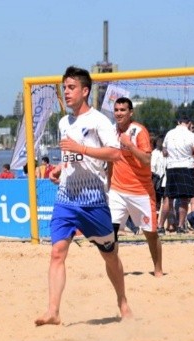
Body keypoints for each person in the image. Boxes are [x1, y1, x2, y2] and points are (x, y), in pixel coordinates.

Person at [35, 66, 132, 326]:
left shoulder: (99, 120)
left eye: (71, 87)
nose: (66, 92)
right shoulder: (64, 122)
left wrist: (81, 148)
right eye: (64, 88)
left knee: (110, 254)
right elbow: (71, 157)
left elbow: (115, 154)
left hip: (93, 200)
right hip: (66, 197)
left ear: (85, 90)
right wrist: (58, 168)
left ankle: (122, 301)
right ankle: (53, 311)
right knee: (57, 252)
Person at [108, 97, 162, 277]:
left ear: (131, 112)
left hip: (141, 192)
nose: (119, 113)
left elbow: (147, 160)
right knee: (111, 232)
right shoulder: (111, 131)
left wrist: (129, 145)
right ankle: (115, 269)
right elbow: (110, 160)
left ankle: (158, 269)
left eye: (123, 110)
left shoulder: (139, 131)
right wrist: (109, 185)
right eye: (116, 110)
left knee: (151, 234)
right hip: (117, 190)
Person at [160, 115, 194, 233]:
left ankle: (160, 226)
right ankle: (180, 226)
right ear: (189, 123)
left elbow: (164, 151)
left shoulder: (169, 134)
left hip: (172, 167)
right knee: (184, 199)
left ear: (178, 122)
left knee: (168, 198)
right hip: (186, 167)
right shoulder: (191, 135)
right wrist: (190, 157)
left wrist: (170, 155)